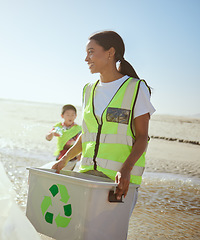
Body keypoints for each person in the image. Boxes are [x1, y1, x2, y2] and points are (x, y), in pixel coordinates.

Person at [52, 31, 155, 203]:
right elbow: (86, 135)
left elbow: (142, 136)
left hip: (118, 181)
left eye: (91, 52)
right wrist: (64, 159)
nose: (86, 59)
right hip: (86, 176)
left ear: (110, 52)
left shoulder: (136, 88)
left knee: (108, 231)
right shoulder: (88, 90)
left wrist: (126, 170)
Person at [45, 104, 82, 170]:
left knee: (67, 173)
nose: (70, 117)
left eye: (72, 115)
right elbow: (48, 138)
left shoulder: (78, 129)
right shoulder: (58, 127)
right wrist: (52, 134)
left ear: (76, 116)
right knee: (56, 170)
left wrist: (80, 154)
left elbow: (81, 142)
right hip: (60, 154)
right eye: (68, 115)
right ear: (62, 116)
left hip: (72, 156)